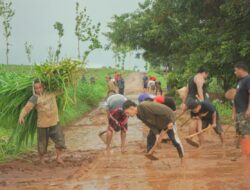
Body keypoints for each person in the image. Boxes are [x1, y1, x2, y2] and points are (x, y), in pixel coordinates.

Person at [18, 79, 66, 164]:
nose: (38, 90)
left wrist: (63, 80)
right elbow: (26, 108)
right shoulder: (34, 98)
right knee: (42, 143)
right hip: (42, 125)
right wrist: (21, 116)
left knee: (60, 140)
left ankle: (58, 158)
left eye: (40, 87)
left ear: (43, 86)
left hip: (55, 122)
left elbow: (62, 89)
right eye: (36, 88)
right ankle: (42, 160)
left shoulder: (51, 92)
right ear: (34, 89)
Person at [233, 62, 250, 152]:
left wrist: (249, 109)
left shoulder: (248, 79)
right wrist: (234, 113)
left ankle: (248, 156)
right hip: (239, 112)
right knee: (242, 133)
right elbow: (236, 97)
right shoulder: (240, 82)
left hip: (245, 111)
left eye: (235, 71)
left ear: (240, 69)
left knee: (246, 132)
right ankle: (245, 152)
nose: (235, 73)